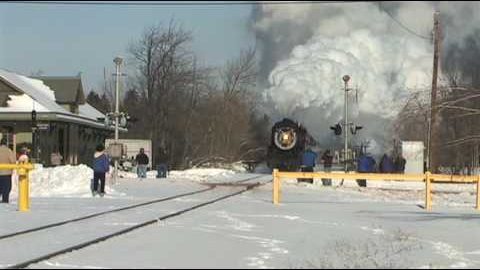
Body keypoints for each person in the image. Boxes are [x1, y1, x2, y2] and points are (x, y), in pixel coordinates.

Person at [0, 138, 16, 203]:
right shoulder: (9, 151)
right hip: (6, 173)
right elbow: (13, 161)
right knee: (6, 188)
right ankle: (5, 200)